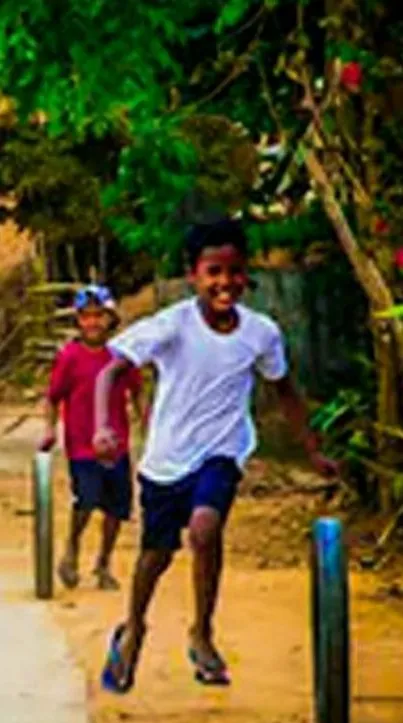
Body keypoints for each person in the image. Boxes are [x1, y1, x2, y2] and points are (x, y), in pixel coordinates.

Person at [93, 218, 338, 692]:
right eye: (213, 272)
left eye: (234, 271)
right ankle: (134, 627)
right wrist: (105, 425)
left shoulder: (261, 333)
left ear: (246, 274)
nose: (224, 282)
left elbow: (284, 390)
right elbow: (110, 371)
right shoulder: (172, 325)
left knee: (205, 529)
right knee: (156, 555)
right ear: (193, 275)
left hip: (222, 452)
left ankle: (202, 632)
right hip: (166, 460)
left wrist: (313, 451)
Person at [39, 284, 147, 591]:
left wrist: (147, 425)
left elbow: (138, 391)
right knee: (86, 500)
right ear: (78, 321)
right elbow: (52, 397)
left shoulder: (121, 356)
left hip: (116, 445)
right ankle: (72, 549)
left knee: (116, 509)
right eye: (86, 317)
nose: (93, 323)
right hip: (82, 446)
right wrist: (50, 429)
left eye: (99, 316)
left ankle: (103, 563)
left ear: (111, 319)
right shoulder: (70, 357)